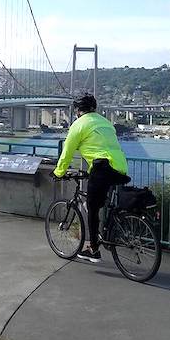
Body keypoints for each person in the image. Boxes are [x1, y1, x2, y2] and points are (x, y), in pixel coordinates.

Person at [53, 93, 130, 263]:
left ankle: (94, 250)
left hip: (102, 168)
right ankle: (111, 232)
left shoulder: (79, 124)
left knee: (93, 209)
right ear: (94, 108)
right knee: (104, 202)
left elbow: (67, 152)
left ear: (78, 110)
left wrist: (58, 173)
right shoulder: (106, 122)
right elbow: (101, 146)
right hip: (120, 167)